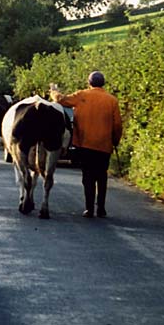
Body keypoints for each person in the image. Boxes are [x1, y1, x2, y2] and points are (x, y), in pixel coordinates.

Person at [49, 71, 122, 218]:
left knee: (87, 176)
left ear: (89, 83)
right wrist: (115, 140)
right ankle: (101, 208)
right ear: (103, 83)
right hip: (104, 146)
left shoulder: (82, 95)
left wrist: (53, 92)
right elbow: (117, 125)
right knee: (101, 176)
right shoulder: (112, 100)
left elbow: (61, 100)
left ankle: (89, 209)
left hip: (84, 144)